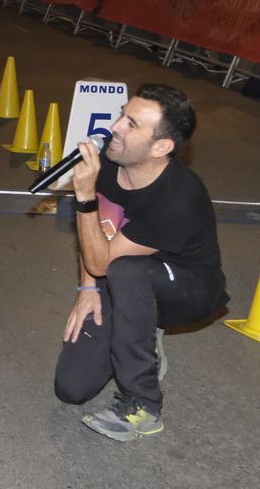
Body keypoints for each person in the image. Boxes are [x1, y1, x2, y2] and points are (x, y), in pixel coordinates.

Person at [54, 84, 227, 441]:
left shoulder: (177, 200)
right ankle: (142, 329)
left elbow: (104, 261)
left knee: (127, 272)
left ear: (161, 147)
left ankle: (143, 405)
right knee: (72, 388)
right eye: (121, 114)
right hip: (122, 269)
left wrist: (84, 197)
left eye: (131, 124)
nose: (116, 126)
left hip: (188, 288)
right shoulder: (108, 161)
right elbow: (98, 234)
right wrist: (87, 287)